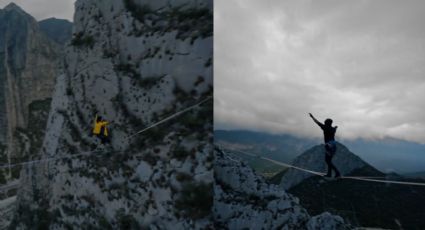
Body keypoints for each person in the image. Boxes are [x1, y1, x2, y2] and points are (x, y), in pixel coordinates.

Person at [309, 113, 341, 178]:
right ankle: (329, 174)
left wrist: (312, 117)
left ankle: (337, 173)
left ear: (326, 123)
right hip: (333, 145)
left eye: (325, 122)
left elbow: (317, 122)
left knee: (327, 160)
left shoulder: (325, 127)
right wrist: (336, 127)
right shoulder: (333, 129)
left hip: (329, 146)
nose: (324, 122)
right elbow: (335, 128)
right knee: (329, 160)